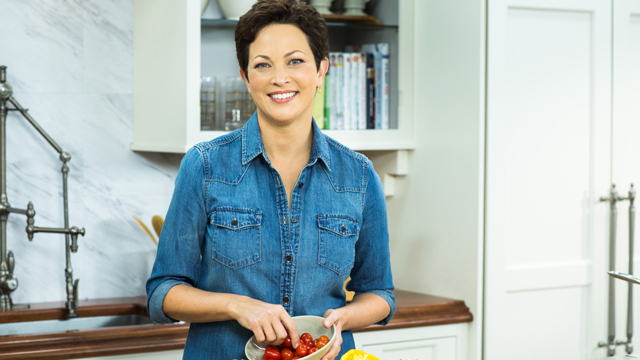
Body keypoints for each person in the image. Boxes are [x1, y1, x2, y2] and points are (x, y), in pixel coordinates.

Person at [145, 1, 395, 359]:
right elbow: (162, 291)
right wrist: (238, 306)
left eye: (295, 61)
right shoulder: (204, 166)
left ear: (321, 69)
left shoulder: (358, 175)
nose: (280, 78)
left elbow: (380, 293)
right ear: (246, 78)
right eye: (263, 65)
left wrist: (340, 320)